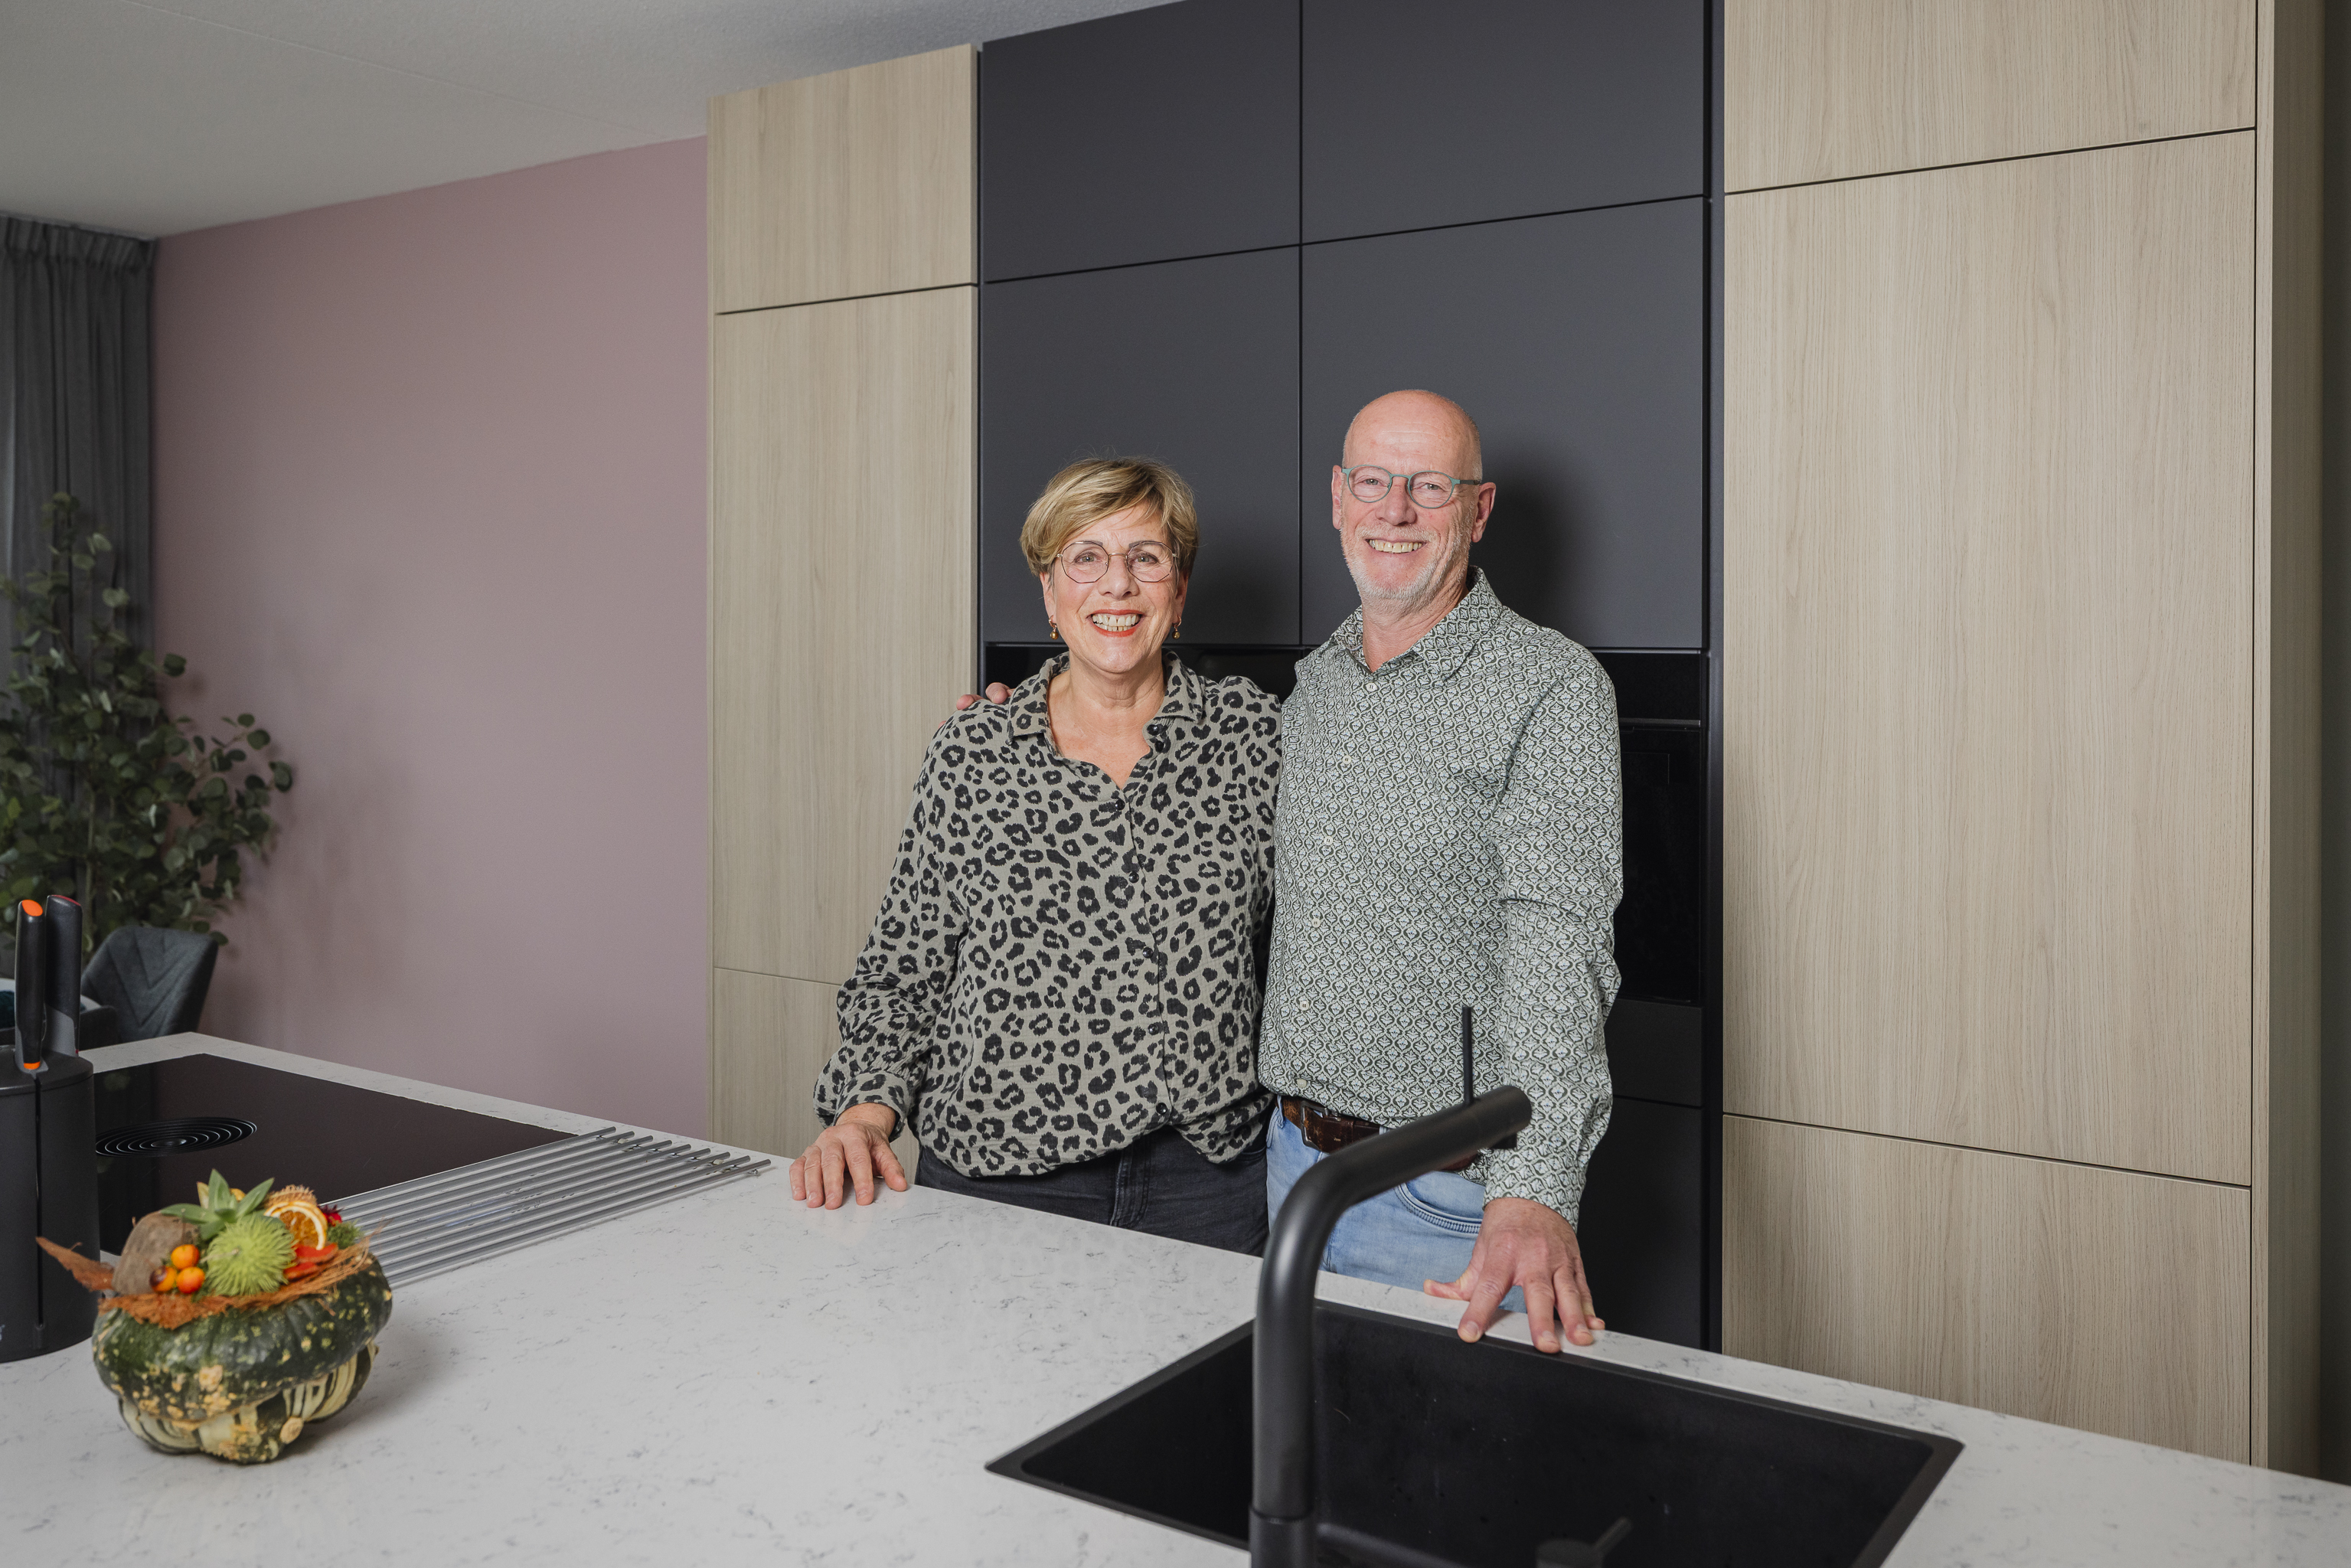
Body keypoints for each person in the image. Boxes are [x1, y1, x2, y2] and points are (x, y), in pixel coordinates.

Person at [789, 457, 1282, 1253]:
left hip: (1207, 1186)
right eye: (1085, 558)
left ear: (1179, 590)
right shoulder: (973, 752)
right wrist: (863, 1115)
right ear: (1050, 595)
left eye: (1145, 557)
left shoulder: (1256, 740)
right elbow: (902, 971)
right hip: (999, 1177)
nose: (1116, 584)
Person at [1261, 388, 1621, 1354]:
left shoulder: (1549, 685)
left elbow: (1559, 946)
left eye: (1428, 485)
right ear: (1336, 498)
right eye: (1372, 482)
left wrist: (1535, 1187)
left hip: (1444, 1203)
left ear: (1477, 508)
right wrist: (1032, 714)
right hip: (1286, 1168)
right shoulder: (1312, 686)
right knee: (1294, 1438)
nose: (1394, 509)